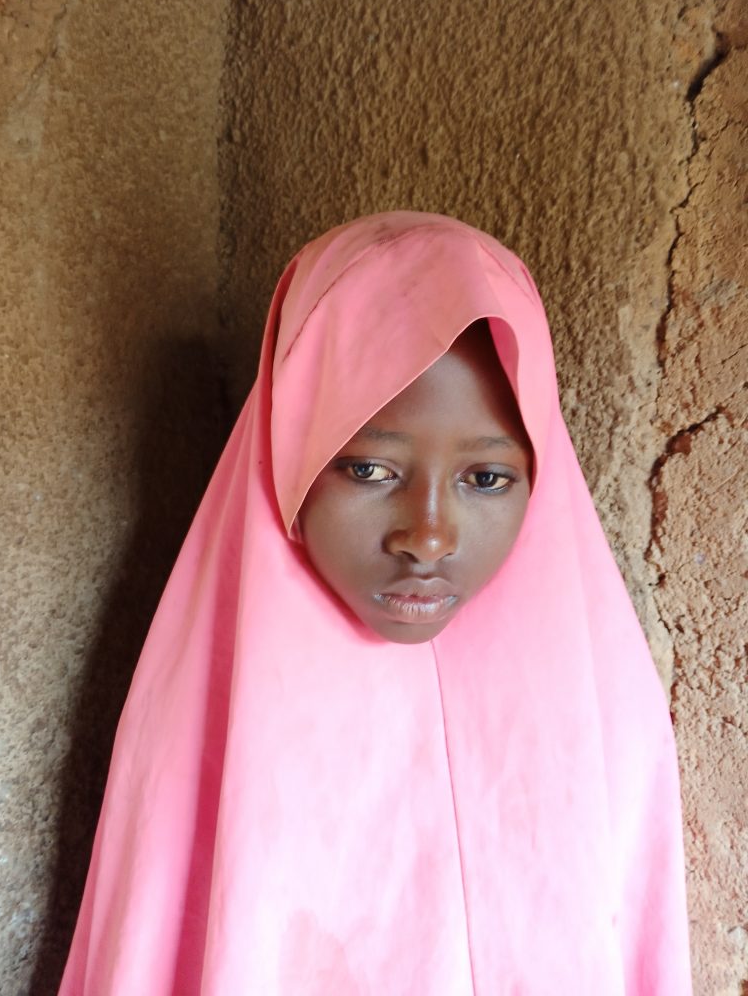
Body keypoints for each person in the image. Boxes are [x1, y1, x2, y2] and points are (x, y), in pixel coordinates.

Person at [59, 211, 691, 994]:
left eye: (487, 478)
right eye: (367, 469)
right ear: (289, 447)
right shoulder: (198, 716)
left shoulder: (609, 725)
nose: (427, 537)